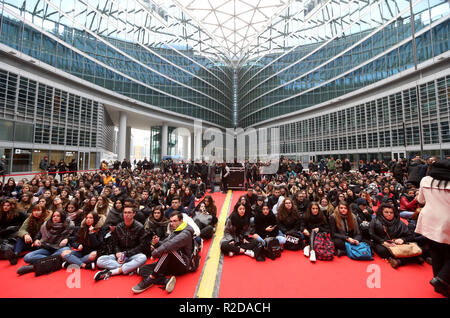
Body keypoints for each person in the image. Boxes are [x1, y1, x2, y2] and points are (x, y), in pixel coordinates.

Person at [131, 212, 196, 294]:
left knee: (168, 250)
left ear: (181, 221)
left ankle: (151, 278)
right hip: (171, 264)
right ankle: (165, 280)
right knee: (142, 270)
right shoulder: (176, 230)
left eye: (175, 221)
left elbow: (170, 245)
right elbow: (165, 243)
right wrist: (157, 243)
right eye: (171, 221)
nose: (172, 223)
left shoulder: (185, 233)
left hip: (183, 264)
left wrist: (154, 253)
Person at [415, 159, 450, 297]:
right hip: (447, 220)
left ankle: (440, 285)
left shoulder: (425, 180)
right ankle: (441, 280)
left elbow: (420, 201)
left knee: (435, 252)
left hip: (429, 219)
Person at [94, 206, 147, 281]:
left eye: (129, 212)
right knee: (100, 260)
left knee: (143, 258)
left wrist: (126, 254)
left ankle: (113, 272)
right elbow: (115, 243)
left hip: (132, 255)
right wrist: (118, 252)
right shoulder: (119, 227)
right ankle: (130, 268)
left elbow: (142, 246)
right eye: (125, 212)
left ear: (134, 214)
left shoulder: (140, 227)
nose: (127, 215)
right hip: (119, 256)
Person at [17, 210, 75, 275]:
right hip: (47, 248)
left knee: (64, 253)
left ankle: (35, 266)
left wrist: (67, 239)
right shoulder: (46, 224)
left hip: (61, 248)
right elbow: (37, 236)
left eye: (58, 216)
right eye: (54, 216)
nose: (55, 217)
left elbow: (75, 238)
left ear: (63, 217)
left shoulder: (69, 225)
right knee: (27, 257)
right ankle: (48, 262)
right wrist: (36, 240)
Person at [369, 203, 423, 269]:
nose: (389, 214)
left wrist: (403, 239)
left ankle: (400, 261)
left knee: (418, 246)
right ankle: (412, 259)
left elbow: (410, 236)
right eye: (386, 212)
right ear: (381, 212)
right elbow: (371, 234)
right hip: (382, 242)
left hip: (398, 243)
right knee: (382, 251)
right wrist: (383, 242)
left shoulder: (399, 222)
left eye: (391, 212)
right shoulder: (375, 221)